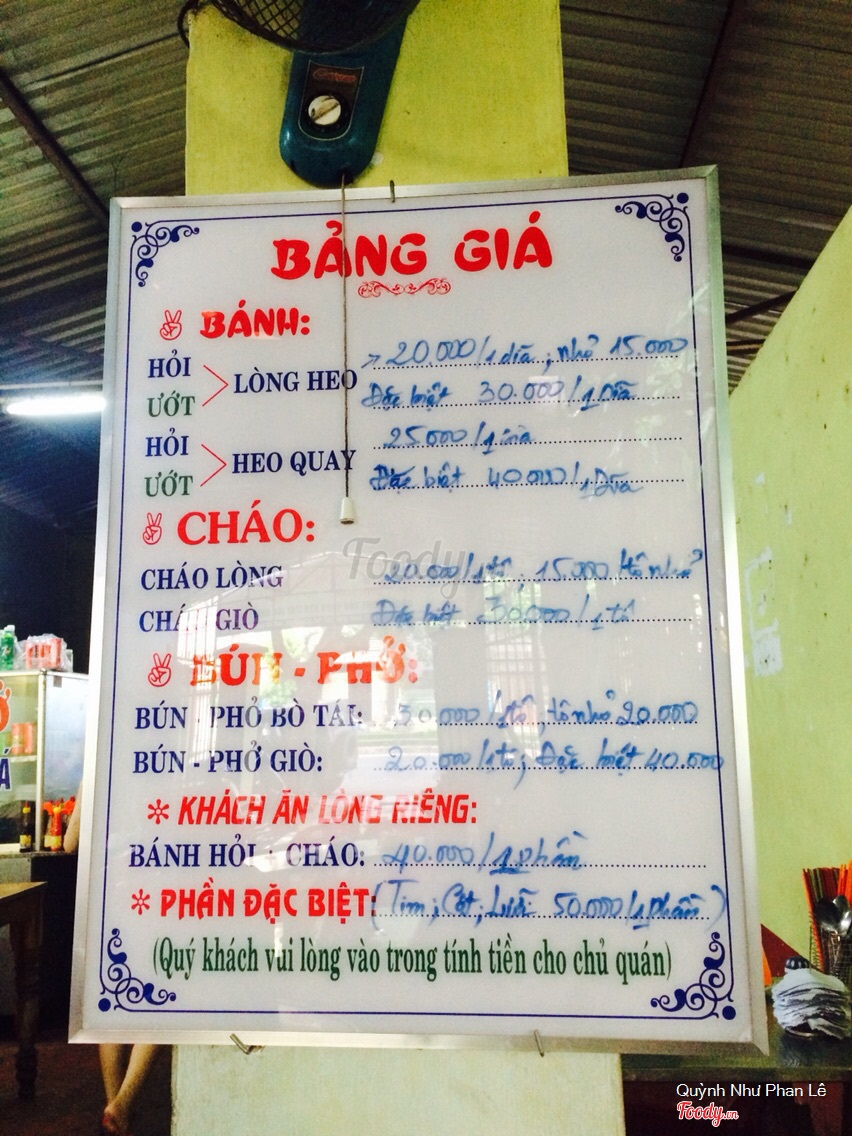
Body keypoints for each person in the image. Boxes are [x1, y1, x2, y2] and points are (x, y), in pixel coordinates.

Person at [64, 792, 162, 1136]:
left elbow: (69, 843)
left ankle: (114, 1104)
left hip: (111, 896)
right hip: (155, 889)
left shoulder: (94, 774)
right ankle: (124, 1101)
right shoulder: (160, 772)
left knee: (113, 995)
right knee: (161, 996)